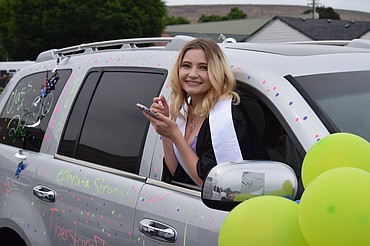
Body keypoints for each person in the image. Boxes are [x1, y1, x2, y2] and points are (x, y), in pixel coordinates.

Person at [143, 38, 268, 187]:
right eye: (186, 66)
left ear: (216, 72)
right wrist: (165, 130)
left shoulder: (229, 118)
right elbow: (176, 173)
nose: (193, 74)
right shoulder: (185, 111)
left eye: (203, 67)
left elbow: (212, 184)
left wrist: (175, 135)